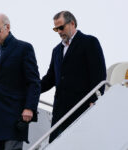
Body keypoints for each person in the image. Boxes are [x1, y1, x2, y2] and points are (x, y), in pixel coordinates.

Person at [41, 11, 106, 143]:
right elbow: (50, 79)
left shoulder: (89, 42)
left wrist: (95, 100)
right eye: (55, 29)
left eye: (61, 27)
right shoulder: (56, 50)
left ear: (72, 23)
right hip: (59, 112)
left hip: (82, 107)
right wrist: (30, 88)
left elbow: (98, 74)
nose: (59, 31)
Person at [0, 13, 41, 150]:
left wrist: (29, 107)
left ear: (7, 27)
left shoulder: (23, 48)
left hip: (13, 117)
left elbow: (33, 82)